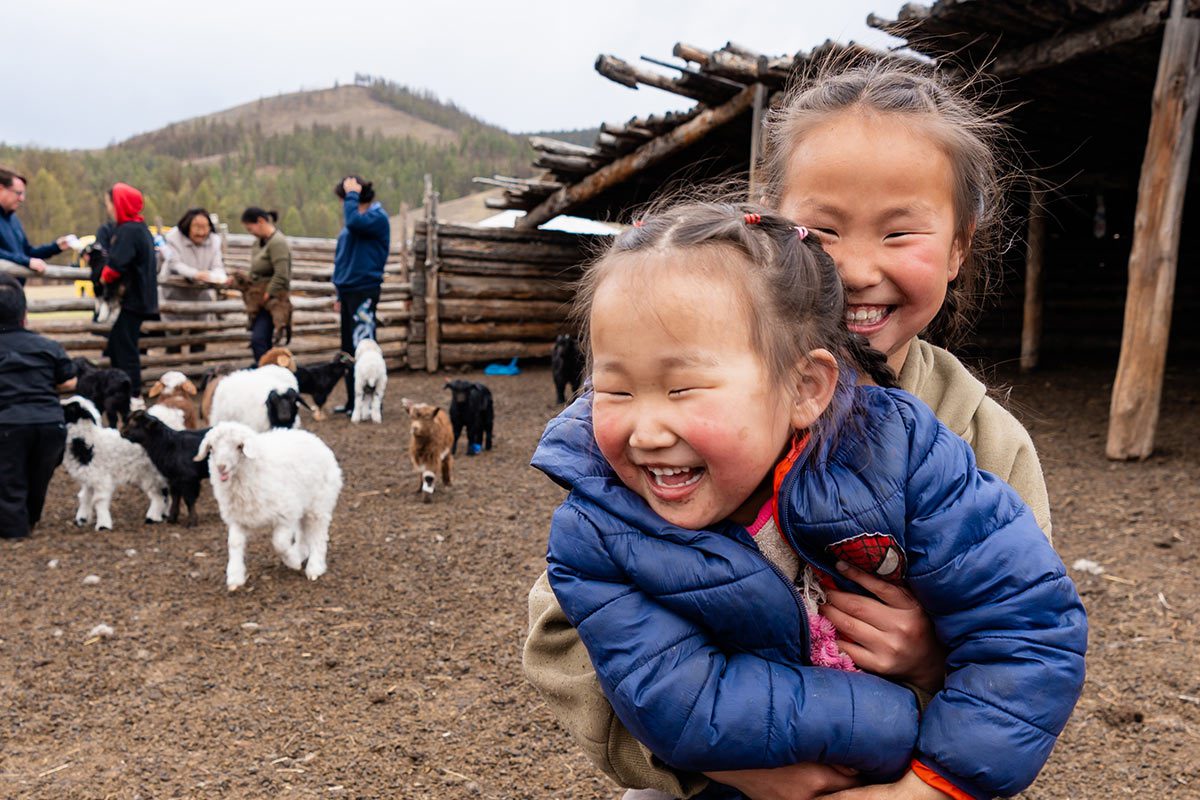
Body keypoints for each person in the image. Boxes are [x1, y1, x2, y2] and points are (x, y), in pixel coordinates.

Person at [524, 62, 1059, 800]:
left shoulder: (984, 443)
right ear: (773, 222)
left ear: (961, 246)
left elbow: (1028, 640)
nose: (857, 268)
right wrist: (726, 765)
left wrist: (931, 668)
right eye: (825, 229)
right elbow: (564, 637)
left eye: (901, 232)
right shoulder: (664, 428)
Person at [0, 273, 77, 539]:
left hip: (8, 423)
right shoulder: (47, 346)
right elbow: (69, 382)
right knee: (38, 475)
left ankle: (14, 529)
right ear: (25, 314)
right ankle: (30, 518)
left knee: (9, 478)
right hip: (50, 423)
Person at [330, 175, 389, 416]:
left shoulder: (376, 218)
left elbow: (353, 222)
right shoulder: (356, 221)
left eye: (345, 199)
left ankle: (371, 400)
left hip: (364, 289)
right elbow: (343, 258)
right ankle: (354, 401)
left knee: (364, 345)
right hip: (349, 291)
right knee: (348, 348)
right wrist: (339, 292)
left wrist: (351, 194)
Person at [100, 182, 158, 394]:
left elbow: (116, 265)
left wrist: (104, 275)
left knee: (125, 350)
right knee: (118, 346)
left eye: (109, 203)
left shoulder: (128, 231)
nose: (108, 208)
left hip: (132, 300)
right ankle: (122, 391)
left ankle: (132, 395)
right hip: (141, 299)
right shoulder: (140, 228)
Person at [160, 207, 227, 353]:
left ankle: (197, 373)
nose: (201, 232)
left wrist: (217, 276)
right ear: (187, 225)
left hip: (200, 298)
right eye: (197, 227)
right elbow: (174, 263)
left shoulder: (214, 241)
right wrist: (196, 274)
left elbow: (218, 266)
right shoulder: (172, 238)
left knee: (199, 336)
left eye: (205, 227)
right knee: (173, 338)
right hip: (174, 297)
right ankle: (173, 371)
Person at [0, 167, 73, 281]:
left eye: (23, 194)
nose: (22, 199)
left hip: (14, 292)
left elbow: (27, 253)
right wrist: (26, 262)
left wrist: (56, 247)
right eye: (18, 193)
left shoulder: (13, 220)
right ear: (1, 189)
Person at [238, 208, 290, 362]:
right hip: (261, 301)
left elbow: (282, 273)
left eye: (250, 228)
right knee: (262, 340)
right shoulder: (259, 243)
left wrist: (268, 294)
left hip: (273, 302)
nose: (250, 232)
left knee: (259, 340)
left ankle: (266, 373)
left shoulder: (277, 242)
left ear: (260, 221)